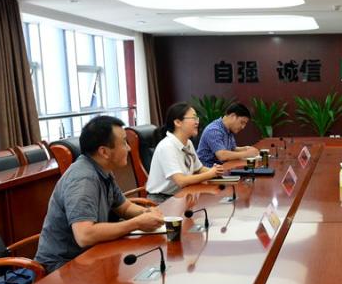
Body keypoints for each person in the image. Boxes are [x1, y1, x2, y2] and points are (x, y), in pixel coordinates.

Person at [35, 116, 164, 273]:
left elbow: (124, 207)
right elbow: (84, 235)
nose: (129, 148)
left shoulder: (103, 171)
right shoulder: (84, 179)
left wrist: (147, 213)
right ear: (104, 152)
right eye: (124, 142)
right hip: (61, 267)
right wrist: (137, 223)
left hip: (90, 254)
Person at [146, 102, 224, 202]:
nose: (197, 122)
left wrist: (215, 171)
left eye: (197, 118)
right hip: (161, 200)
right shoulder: (167, 146)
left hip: (182, 194)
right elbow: (181, 181)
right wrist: (210, 174)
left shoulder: (188, 143)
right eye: (193, 118)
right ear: (178, 122)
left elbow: (199, 169)